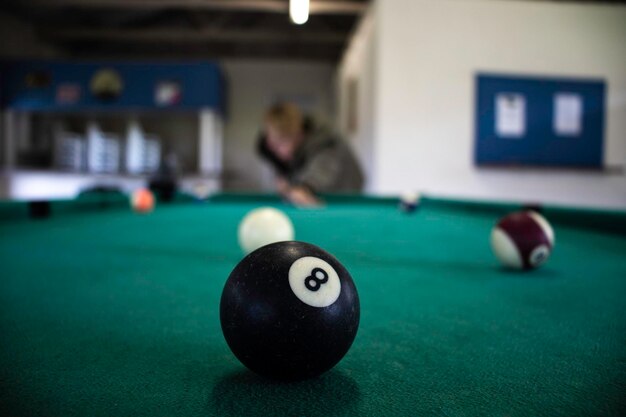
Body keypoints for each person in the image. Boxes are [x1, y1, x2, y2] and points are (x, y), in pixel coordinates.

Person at [257, 103, 364, 206]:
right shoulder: (272, 145)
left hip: (344, 196)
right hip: (320, 194)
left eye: (279, 144)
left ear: (299, 136)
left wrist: (304, 188)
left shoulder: (325, 141)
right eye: (271, 144)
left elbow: (320, 171)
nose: (274, 149)